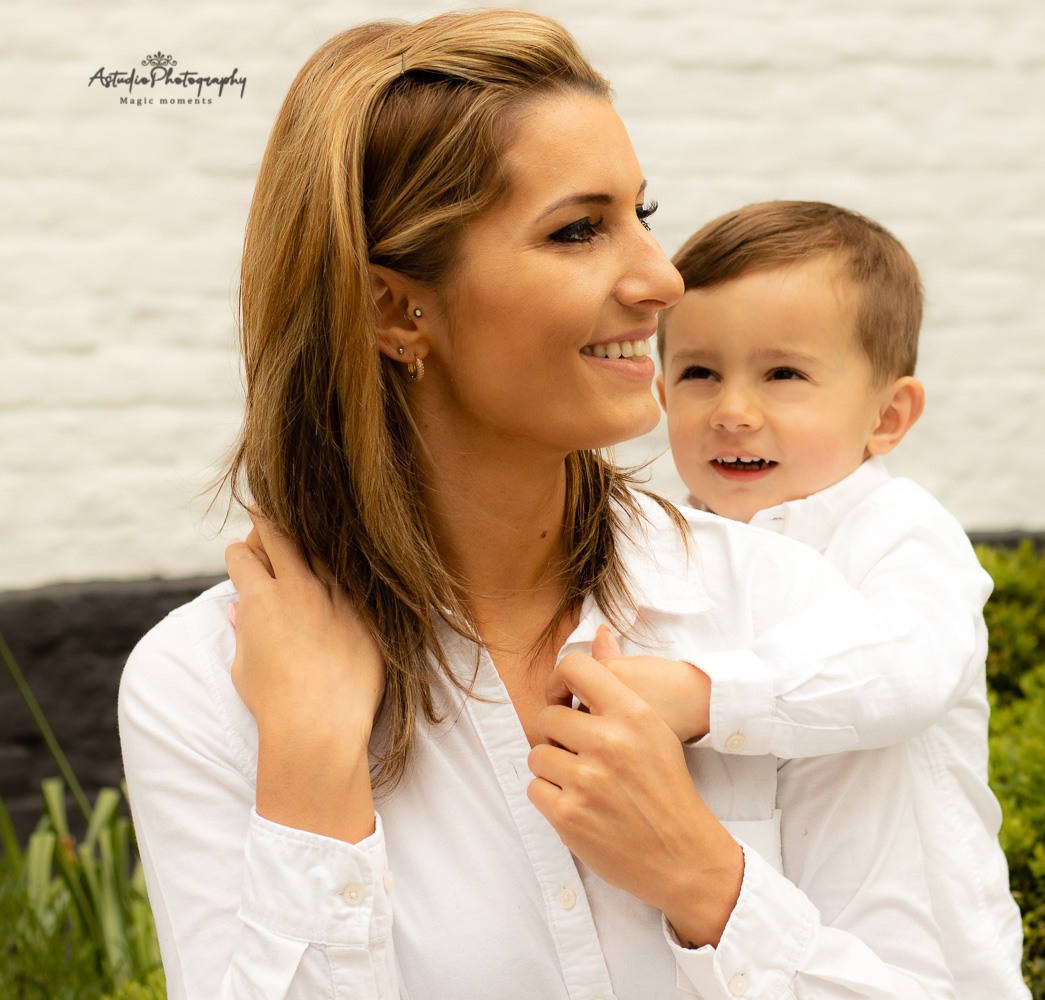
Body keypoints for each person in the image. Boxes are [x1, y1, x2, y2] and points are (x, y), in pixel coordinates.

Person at [117, 11, 953, 999]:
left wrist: (704, 879)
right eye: (578, 229)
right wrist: (310, 775)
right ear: (397, 309)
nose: (661, 277)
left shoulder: (785, 617)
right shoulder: (209, 688)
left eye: (643, 212)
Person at [633, 201, 1028, 998]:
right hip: (741, 962)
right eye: (699, 372)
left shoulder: (897, 532)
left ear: (888, 417)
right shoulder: (657, 553)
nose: (733, 410)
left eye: (783, 374)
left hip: (917, 967)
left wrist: (702, 696)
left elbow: (905, 670)